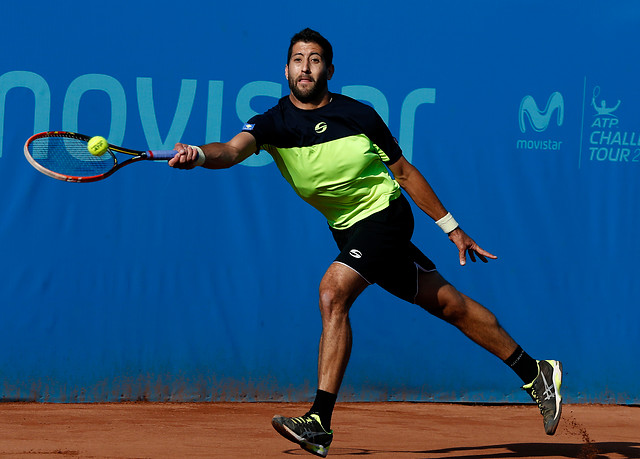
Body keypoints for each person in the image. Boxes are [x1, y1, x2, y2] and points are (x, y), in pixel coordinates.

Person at [168, 28, 563, 458]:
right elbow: (230, 150)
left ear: (329, 70)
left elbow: (406, 173)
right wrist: (200, 155)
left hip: (387, 217)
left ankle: (318, 421)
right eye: (298, 59)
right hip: (350, 231)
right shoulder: (271, 123)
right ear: (285, 70)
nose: (305, 66)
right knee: (448, 304)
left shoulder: (358, 114)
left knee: (332, 292)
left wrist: (451, 227)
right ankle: (536, 370)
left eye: (315, 59)